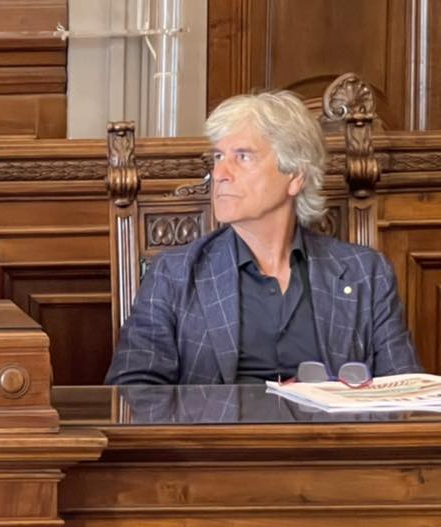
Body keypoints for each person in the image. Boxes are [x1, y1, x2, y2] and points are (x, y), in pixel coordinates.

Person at [106, 90, 420, 385]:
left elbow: (404, 391)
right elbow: (132, 391)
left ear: (295, 175)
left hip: (331, 427)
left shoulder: (366, 273)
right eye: (218, 157)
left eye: (242, 157)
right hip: (217, 427)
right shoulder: (174, 274)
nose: (220, 174)